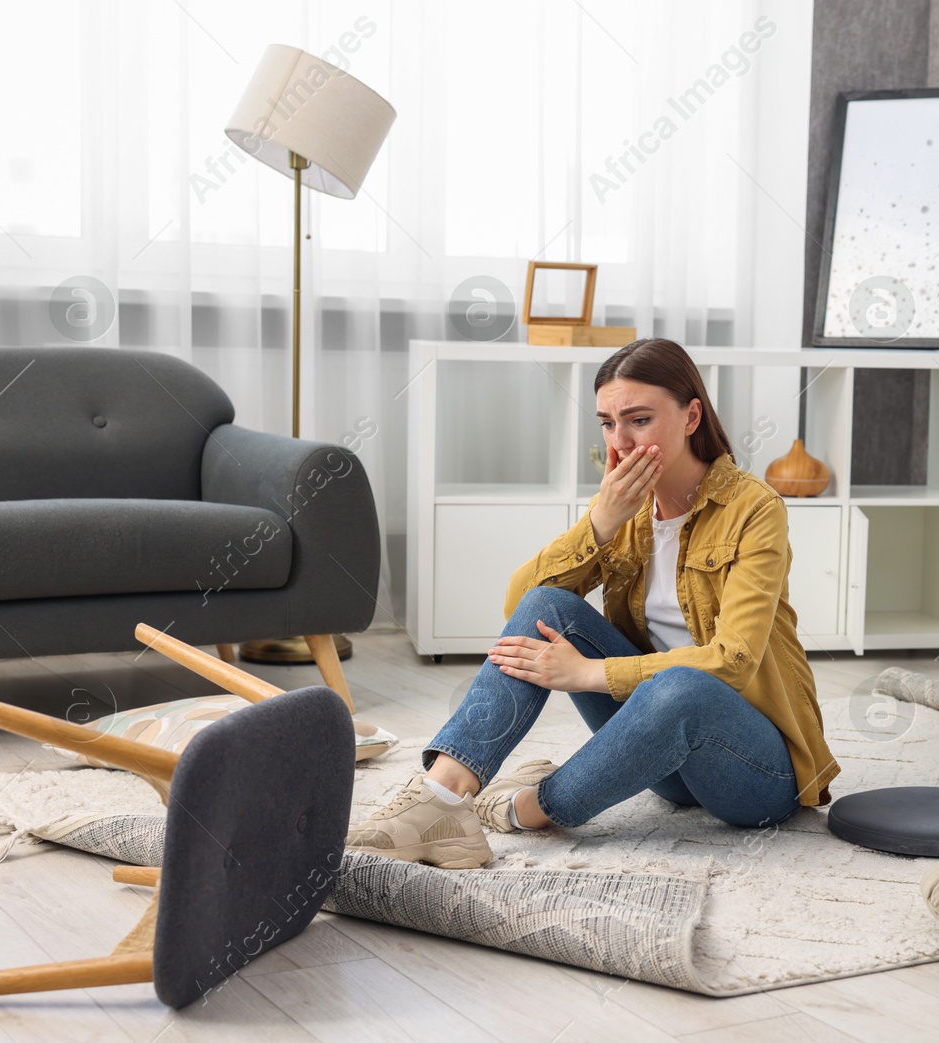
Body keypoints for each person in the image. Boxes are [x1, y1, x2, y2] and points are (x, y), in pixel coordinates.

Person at [347, 338, 839, 868]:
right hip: (664, 761)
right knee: (548, 606)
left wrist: (588, 674)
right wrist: (602, 521)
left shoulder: (754, 508)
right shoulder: (623, 506)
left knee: (684, 687)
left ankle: (523, 809)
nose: (620, 441)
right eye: (607, 422)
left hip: (757, 774)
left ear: (692, 414)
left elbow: (733, 660)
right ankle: (441, 797)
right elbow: (523, 602)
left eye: (639, 419)